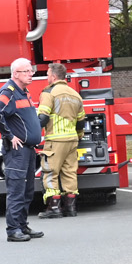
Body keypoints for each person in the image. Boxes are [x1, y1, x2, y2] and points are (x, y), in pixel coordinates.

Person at [0, 56, 46, 243]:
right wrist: (9, 135)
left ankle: (22, 225)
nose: (31, 74)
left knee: (27, 191)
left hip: (28, 149)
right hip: (17, 151)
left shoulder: (24, 92)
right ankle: (13, 230)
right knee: (16, 190)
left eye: (31, 70)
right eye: (27, 71)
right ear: (15, 74)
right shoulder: (9, 91)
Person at [38, 61, 82, 218]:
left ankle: (54, 207)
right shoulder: (75, 94)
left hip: (55, 140)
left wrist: (32, 134)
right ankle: (71, 208)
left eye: (48, 74)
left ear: (54, 76)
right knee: (70, 173)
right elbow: (81, 122)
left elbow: (43, 117)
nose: (47, 77)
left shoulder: (49, 93)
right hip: (72, 140)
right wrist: (78, 137)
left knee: (50, 172)